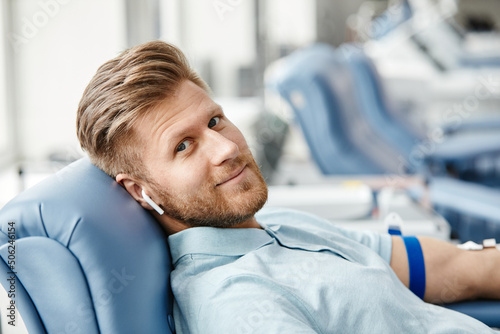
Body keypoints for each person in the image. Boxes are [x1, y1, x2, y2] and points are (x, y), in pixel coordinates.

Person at [76, 40, 500, 333]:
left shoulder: (280, 227)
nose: (225, 148)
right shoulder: (236, 302)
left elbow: (455, 271)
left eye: (214, 121)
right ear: (140, 190)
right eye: (183, 146)